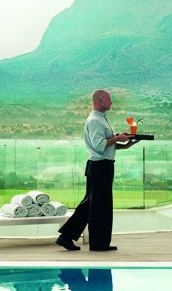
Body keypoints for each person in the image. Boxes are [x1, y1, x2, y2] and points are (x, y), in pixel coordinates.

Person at [56, 89, 136, 252]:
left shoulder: (101, 119)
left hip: (101, 166)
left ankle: (67, 236)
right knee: (99, 206)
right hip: (99, 167)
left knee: (91, 205)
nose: (111, 102)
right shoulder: (95, 121)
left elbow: (106, 145)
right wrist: (118, 138)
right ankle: (98, 244)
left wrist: (125, 144)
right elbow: (99, 145)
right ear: (100, 101)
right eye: (109, 99)